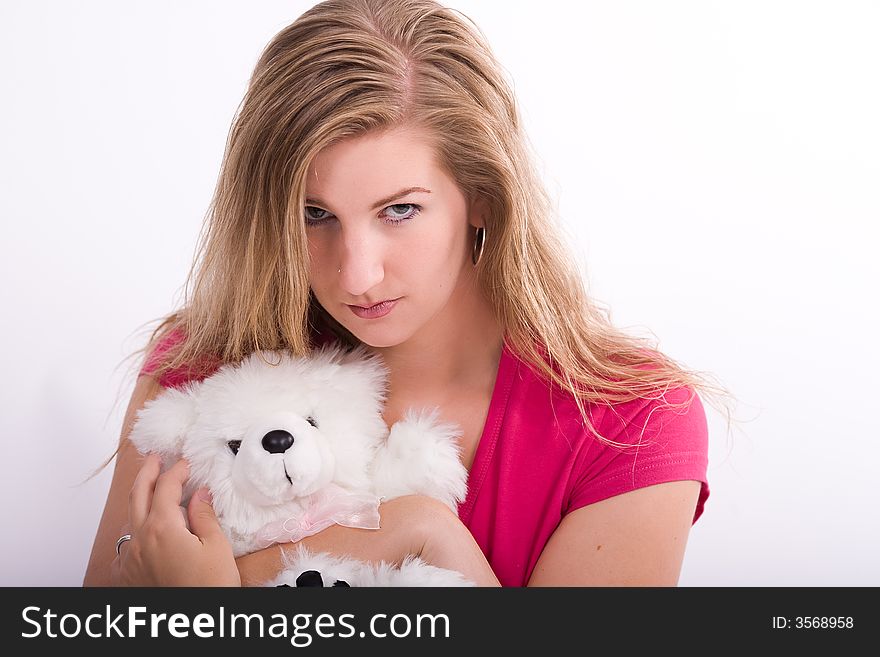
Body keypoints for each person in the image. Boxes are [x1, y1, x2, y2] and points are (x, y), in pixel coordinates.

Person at [84, 0, 731, 587]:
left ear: (481, 195)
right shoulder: (199, 373)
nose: (357, 273)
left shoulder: (628, 424)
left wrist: (428, 529)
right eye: (315, 215)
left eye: (398, 210)